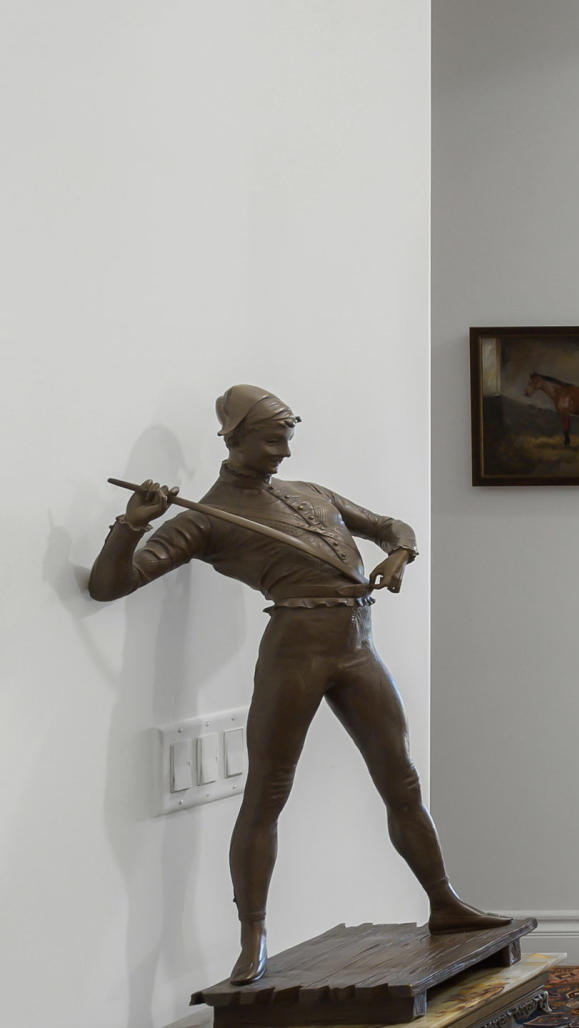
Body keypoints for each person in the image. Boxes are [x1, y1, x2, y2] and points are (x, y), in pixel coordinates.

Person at [91, 385, 506, 986]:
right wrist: (130, 527)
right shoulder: (205, 520)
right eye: (270, 438)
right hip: (296, 652)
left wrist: (399, 554)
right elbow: (112, 585)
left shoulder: (309, 492)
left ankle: (443, 902)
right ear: (233, 440)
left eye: (288, 436)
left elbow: (390, 524)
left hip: (357, 646)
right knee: (267, 793)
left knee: (401, 777)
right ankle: (252, 937)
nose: (284, 449)